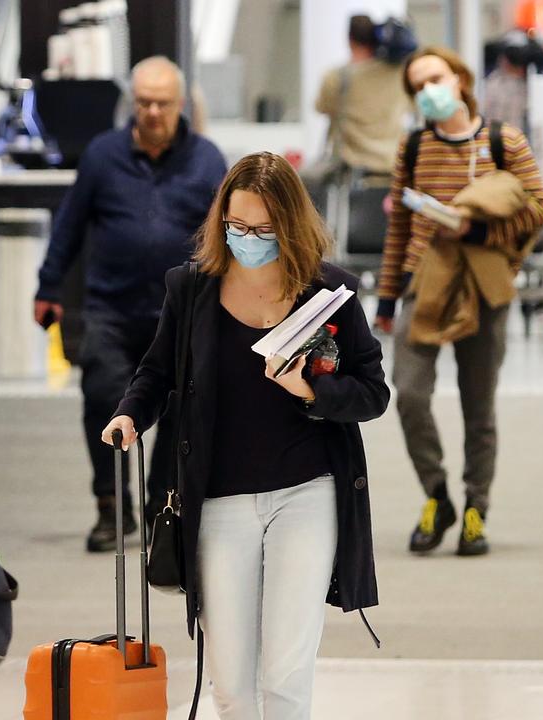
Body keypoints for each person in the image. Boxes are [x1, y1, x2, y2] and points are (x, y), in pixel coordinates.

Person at [102, 152, 389, 719]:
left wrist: (311, 390)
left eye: (263, 230)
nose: (248, 239)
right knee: (231, 684)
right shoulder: (191, 290)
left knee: (285, 672)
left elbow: (373, 394)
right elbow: (157, 372)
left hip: (306, 494)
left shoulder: (330, 294)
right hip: (218, 499)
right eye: (236, 227)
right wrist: (130, 415)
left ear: (290, 226)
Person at [34, 56, 227, 552]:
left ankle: (160, 504)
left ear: (180, 104)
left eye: (162, 103)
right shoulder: (103, 155)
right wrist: (48, 287)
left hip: (181, 311)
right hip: (111, 308)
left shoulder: (207, 160)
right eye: (144, 102)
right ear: (132, 104)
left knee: (181, 409)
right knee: (103, 396)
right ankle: (109, 505)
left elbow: (226, 237)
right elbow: (70, 225)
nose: (153, 111)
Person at [374, 47, 543, 557]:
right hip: (421, 284)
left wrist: (476, 229)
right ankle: (436, 494)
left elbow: (538, 210)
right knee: (408, 393)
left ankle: (476, 507)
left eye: (435, 78)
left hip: (482, 284)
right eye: (417, 85)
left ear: (460, 79)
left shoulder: (503, 140)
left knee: (479, 404)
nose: (427, 89)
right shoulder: (411, 148)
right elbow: (400, 228)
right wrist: (387, 297)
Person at [314, 14, 411, 177]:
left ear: (350, 39)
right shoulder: (399, 74)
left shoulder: (336, 77)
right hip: (393, 165)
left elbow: (322, 107)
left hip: (353, 169)